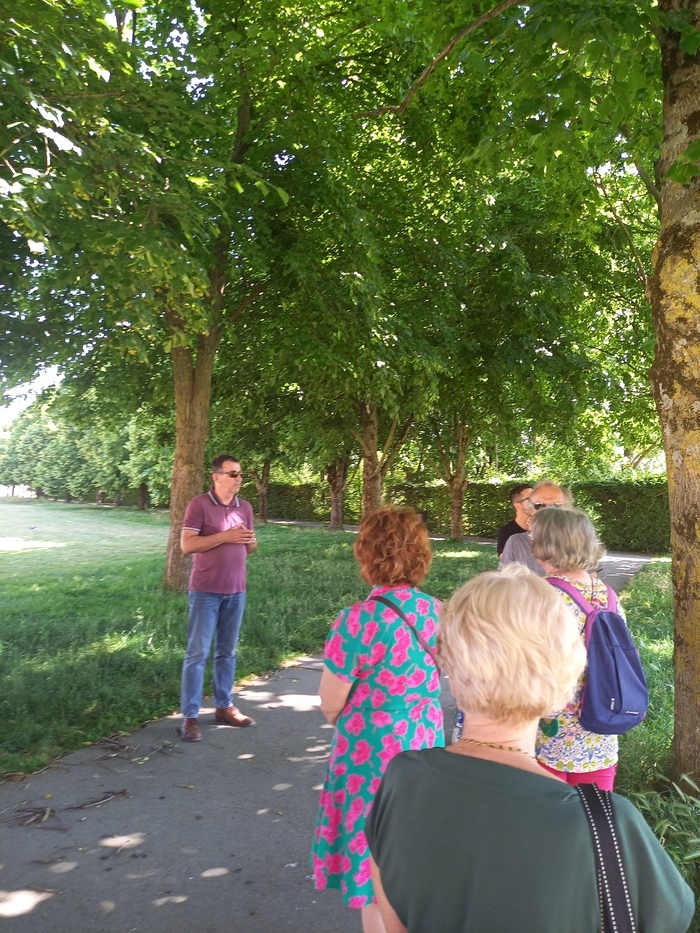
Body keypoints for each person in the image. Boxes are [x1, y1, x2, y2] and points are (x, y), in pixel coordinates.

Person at [365, 566, 694, 933]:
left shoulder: (400, 780)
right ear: (568, 672)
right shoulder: (609, 830)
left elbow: (391, 923)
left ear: (447, 662)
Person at [311, 505, 443, 933]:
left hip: (368, 761)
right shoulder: (439, 613)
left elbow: (330, 703)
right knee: (411, 860)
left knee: (372, 876)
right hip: (425, 753)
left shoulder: (356, 621)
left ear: (366, 553)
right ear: (421, 554)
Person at [531, 506, 620, 789]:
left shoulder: (542, 595)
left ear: (546, 544)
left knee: (546, 824)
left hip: (547, 738)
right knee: (594, 822)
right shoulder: (607, 595)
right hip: (599, 732)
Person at [179, 454, 258, 742]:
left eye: (240, 474)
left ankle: (224, 708)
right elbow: (187, 545)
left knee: (227, 652)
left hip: (236, 590)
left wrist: (250, 541)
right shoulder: (199, 505)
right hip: (205, 591)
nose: (239, 478)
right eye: (233, 474)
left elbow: (249, 548)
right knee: (197, 654)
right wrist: (225, 536)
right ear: (216, 477)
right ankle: (189, 717)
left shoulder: (245, 508)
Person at [499, 479, 572, 576]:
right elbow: (505, 581)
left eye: (555, 506)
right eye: (539, 505)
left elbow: (590, 583)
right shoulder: (516, 542)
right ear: (530, 508)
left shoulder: (578, 540)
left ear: (567, 509)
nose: (547, 511)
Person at [496, 483, 533, 557]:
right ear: (518, 506)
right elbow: (507, 563)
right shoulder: (506, 532)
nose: (536, 502)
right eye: (530, 499)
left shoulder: (545, 527)